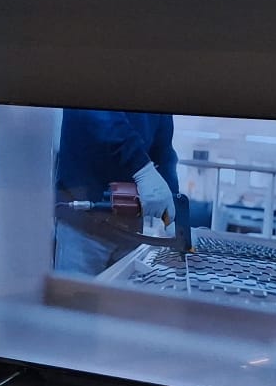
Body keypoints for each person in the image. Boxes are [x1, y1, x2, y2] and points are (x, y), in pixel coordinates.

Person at [52, 109, 180, 276]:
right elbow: (99, 115)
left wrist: (175, 208)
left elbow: (164, 152)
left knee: (120, 292)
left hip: (130, 232)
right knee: (76, 292)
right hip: (83, 226)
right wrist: (142, 168)